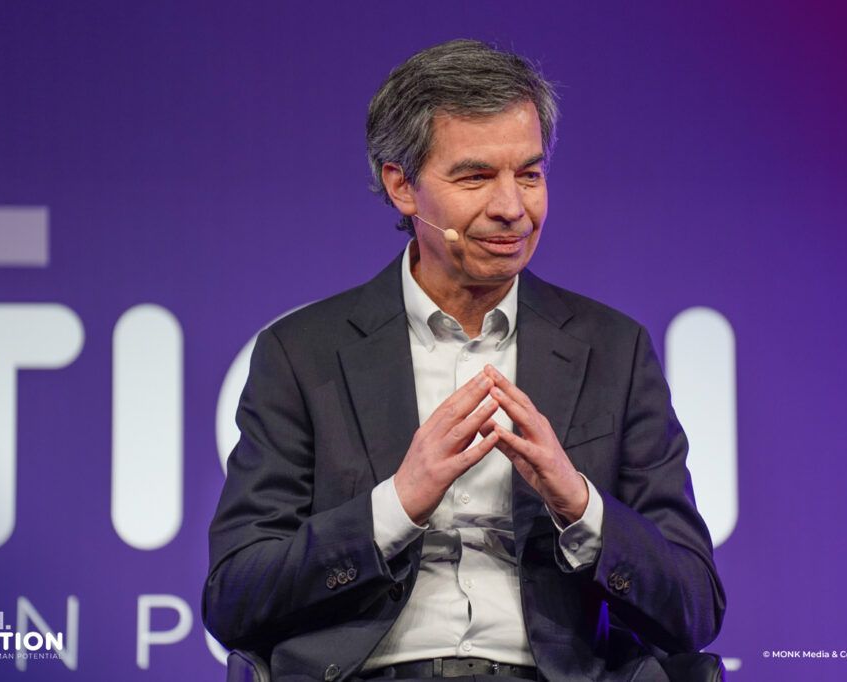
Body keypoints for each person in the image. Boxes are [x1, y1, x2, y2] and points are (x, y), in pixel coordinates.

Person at [204, 39, 725, 682]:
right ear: (402, 185)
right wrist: (397, 505)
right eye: (475, 177)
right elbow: (235, 597)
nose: (512, 208)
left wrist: (579, 504)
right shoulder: (303, 355)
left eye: (529, 174)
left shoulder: (614, 351)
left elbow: (695, 607)